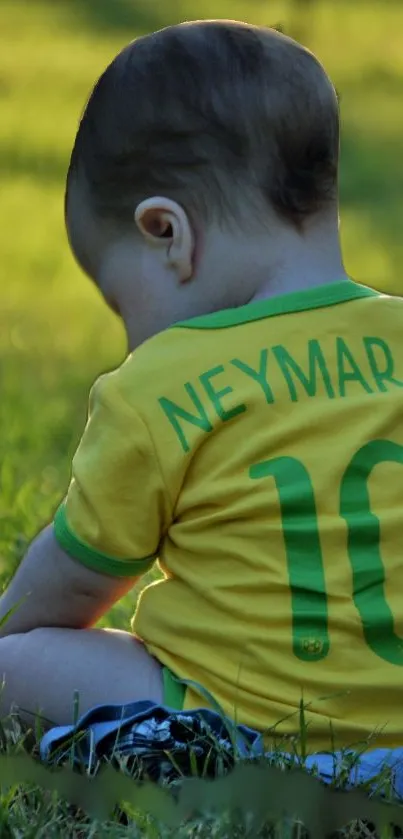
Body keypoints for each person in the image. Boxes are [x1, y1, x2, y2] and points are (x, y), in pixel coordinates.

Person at [1, 19, 403, 754]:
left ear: (167, 234)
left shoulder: (158, 385)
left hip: (243, 728)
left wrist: (10, 625)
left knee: (12, 663)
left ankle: (178, 751)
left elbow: (64, 585)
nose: (131, 335)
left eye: (121, 302)